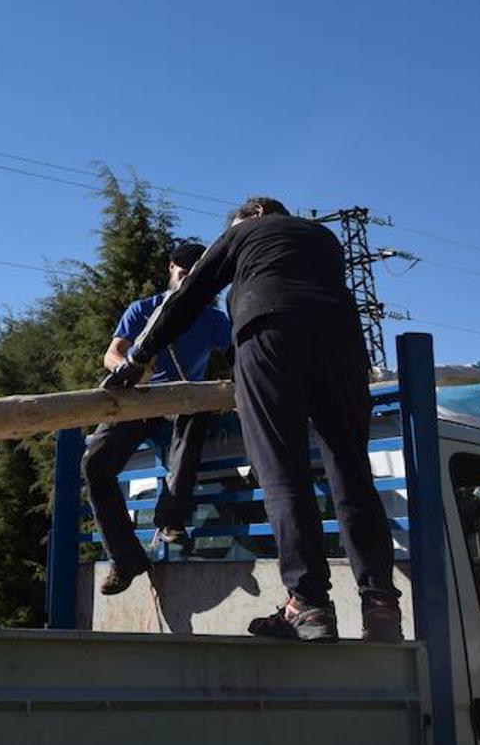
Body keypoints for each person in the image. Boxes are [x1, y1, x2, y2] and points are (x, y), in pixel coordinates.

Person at [104, 197, 402, 643]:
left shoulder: (245, 231)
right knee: (352, 472)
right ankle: (380, 607)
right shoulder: (324, 237)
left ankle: (309, 603)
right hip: (343, 344)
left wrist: (137, 359)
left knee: (282, 470)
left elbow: (188, 296)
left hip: (270, 332)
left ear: (257, 213)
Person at [84, 242, 232, 595]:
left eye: (196, 279)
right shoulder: (143, 310)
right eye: (183, 276)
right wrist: (128, 369)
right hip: (140, 397)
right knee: (95, 464)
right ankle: (126, 557)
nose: (188, 285)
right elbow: (112, 354)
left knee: (196, 414)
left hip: (183, 397)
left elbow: (237, 355)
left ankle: (171, 520)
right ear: (171, 270)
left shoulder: (213, 319)